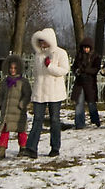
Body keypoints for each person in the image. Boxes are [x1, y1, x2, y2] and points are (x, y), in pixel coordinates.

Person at [21, 28, 68, 158]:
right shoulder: (38, 55)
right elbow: (36, 74)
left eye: (44, 41)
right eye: (40, 42)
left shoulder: (60, 53)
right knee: (37, 120)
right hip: (40, 92)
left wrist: (50, 66)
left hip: (54, 92)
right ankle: (31, 148)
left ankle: (55, 147)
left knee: (54, 120)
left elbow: (64, 70)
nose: (42, 44)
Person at [0, 54, 31, 159]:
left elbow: (27, 95)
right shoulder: (5, 82)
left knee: (21, 130)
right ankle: (1, 149)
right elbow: (1, 94)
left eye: (15, 68)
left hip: (18, 111)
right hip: (7, 111)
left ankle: (23, 148)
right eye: (11, 68)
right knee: (4, 129)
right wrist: (0, 104)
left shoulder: (24, 82)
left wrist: (22, 104)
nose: (12, 70)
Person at [71, 36, 101, 128]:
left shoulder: (95, 57)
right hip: (79, 83)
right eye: (84, 47)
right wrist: (77, 71)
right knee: (79, 103)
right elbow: (74, 67)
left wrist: (86, 70)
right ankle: (79, 123)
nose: (86, 49)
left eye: (87, 48)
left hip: (90, 83)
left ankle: (95, 121)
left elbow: (96, 69)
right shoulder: (79, 56)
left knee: (91, 103)